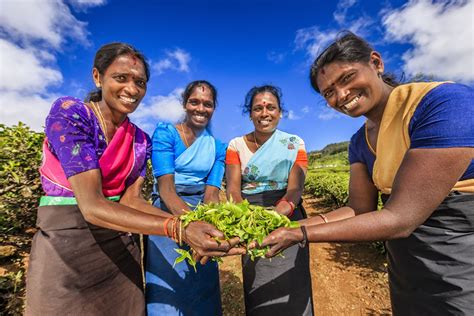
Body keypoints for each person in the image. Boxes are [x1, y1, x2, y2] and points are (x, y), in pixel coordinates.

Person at [258, 32, 474, 315]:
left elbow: (401, 218)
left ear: (376, 62)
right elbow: (359, 208)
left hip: (461, 260)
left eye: (346, 79)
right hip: (406, 263)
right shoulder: (360, 141)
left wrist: (299, 235)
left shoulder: (444, 104)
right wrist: (294, 227)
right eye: (329, 92)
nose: (341, 95)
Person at [25, 44, 241, 316]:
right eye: (121, 77)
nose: (132, 88)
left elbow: (132, 200)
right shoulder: (71, 114)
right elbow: (91, 205)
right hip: (67, 248)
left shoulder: (139, 140)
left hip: (121, 248)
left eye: (139, 82)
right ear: (97, 76)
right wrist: (180, 228)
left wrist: (193, 224)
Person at [225, 85, 314, 315]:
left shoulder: (295, 143)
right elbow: (234, 190)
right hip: (250, 217)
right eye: (258, 108)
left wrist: (277, 214)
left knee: (293, 283)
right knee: (259, 284)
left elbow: (295, 189)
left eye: (270, 107)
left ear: (280, 112)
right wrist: (247, 218)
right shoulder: (236, 145)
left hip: (287, 214)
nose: (264, 113)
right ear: (251, 113)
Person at [145, 80, 229, 315]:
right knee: (166, 282)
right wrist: (192, 224)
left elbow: (212, 194)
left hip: (202, 211)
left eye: (207, 104)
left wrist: (212, 224)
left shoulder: (217, 147)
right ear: (185, 103)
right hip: (166, 211)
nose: (200, 108)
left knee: (201, 283)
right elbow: (166, 189)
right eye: (194, 102)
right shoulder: (166, 133)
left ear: (213, 108)